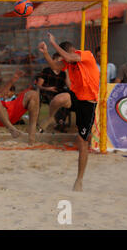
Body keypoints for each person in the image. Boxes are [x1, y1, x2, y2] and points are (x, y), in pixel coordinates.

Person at [38, 33, 100, 192]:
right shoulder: (67, 62)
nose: (61, 61)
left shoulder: (85, 55)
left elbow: (67, 56)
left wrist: (53, 42)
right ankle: (51, 118)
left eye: (61, 57)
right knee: (57, 99)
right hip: (76, 97)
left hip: (88, 103)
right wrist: (45, 51)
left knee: (82, 142)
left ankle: (79, 180)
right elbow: (54, 66)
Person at [36, 53, 70, 132]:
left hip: (59, 92)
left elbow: (69, 86)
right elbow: (39, 86)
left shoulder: (63, 73)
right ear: (54, 60)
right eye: (59, 61)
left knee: (66, 98)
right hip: (47, 91)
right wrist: (48, 88)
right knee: (54, 99)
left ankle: (60, 122)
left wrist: (67, 72)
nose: (61, 63)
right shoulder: (46, 70)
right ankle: (58, 121)